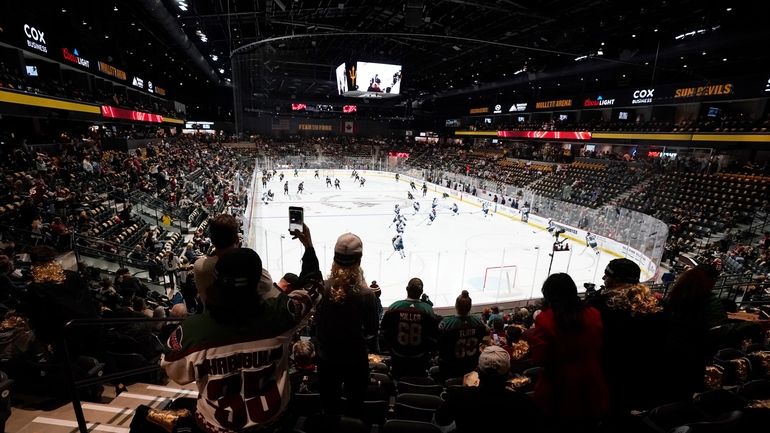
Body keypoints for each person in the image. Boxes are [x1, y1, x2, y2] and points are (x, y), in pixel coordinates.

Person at [161, 247, 319, 433]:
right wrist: (308, 248)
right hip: (273, 424)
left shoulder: (192, 330)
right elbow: (315, 288)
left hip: (216, 427)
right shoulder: (281, 314)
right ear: (259, 283)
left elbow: (175, 372)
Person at [526, 273, 608, 431]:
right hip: (592, 382)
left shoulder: (545, 319)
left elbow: (539, 358)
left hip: (560, 387)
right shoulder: (594, 313)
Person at [586, 258, 667, 413]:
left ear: (617, 280)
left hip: (610, 373)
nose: (603, 279)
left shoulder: (601, 304)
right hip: (646, 373)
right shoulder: (658, 304)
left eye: (607, 276)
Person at [314, 232, 379, 417]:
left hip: (327, 360)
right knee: (355, 408)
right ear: (359, 260)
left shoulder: (322, 288)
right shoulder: (366, 295)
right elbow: (372, 331)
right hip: (355, 361)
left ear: (335, 259)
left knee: (329, 408)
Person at [434, 346, 541, 433]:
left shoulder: (459, 396)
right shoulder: (523, 402)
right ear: (508, 373)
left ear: (478, 372)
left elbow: (440, 420)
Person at [381, 278, 439, 378]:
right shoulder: (428, 311)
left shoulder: (394, 307)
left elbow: (384, 332)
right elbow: (433, 337)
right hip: (419, 359)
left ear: (407, 289)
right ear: (421, 292)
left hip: (398, 357)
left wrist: (392, 348)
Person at [437, 290, 488, 380]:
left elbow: (439, 343)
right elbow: (486, 331)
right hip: (471, 366)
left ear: (456, 306)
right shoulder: (479, 322)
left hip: (450, 367)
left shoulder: (446, 323)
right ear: (470, 307)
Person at [194, 214, 240, 305]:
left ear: (213, 240)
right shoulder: (247, 265)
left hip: (210, 315)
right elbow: (267, 286)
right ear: (237, 239)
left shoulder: (199, 266)